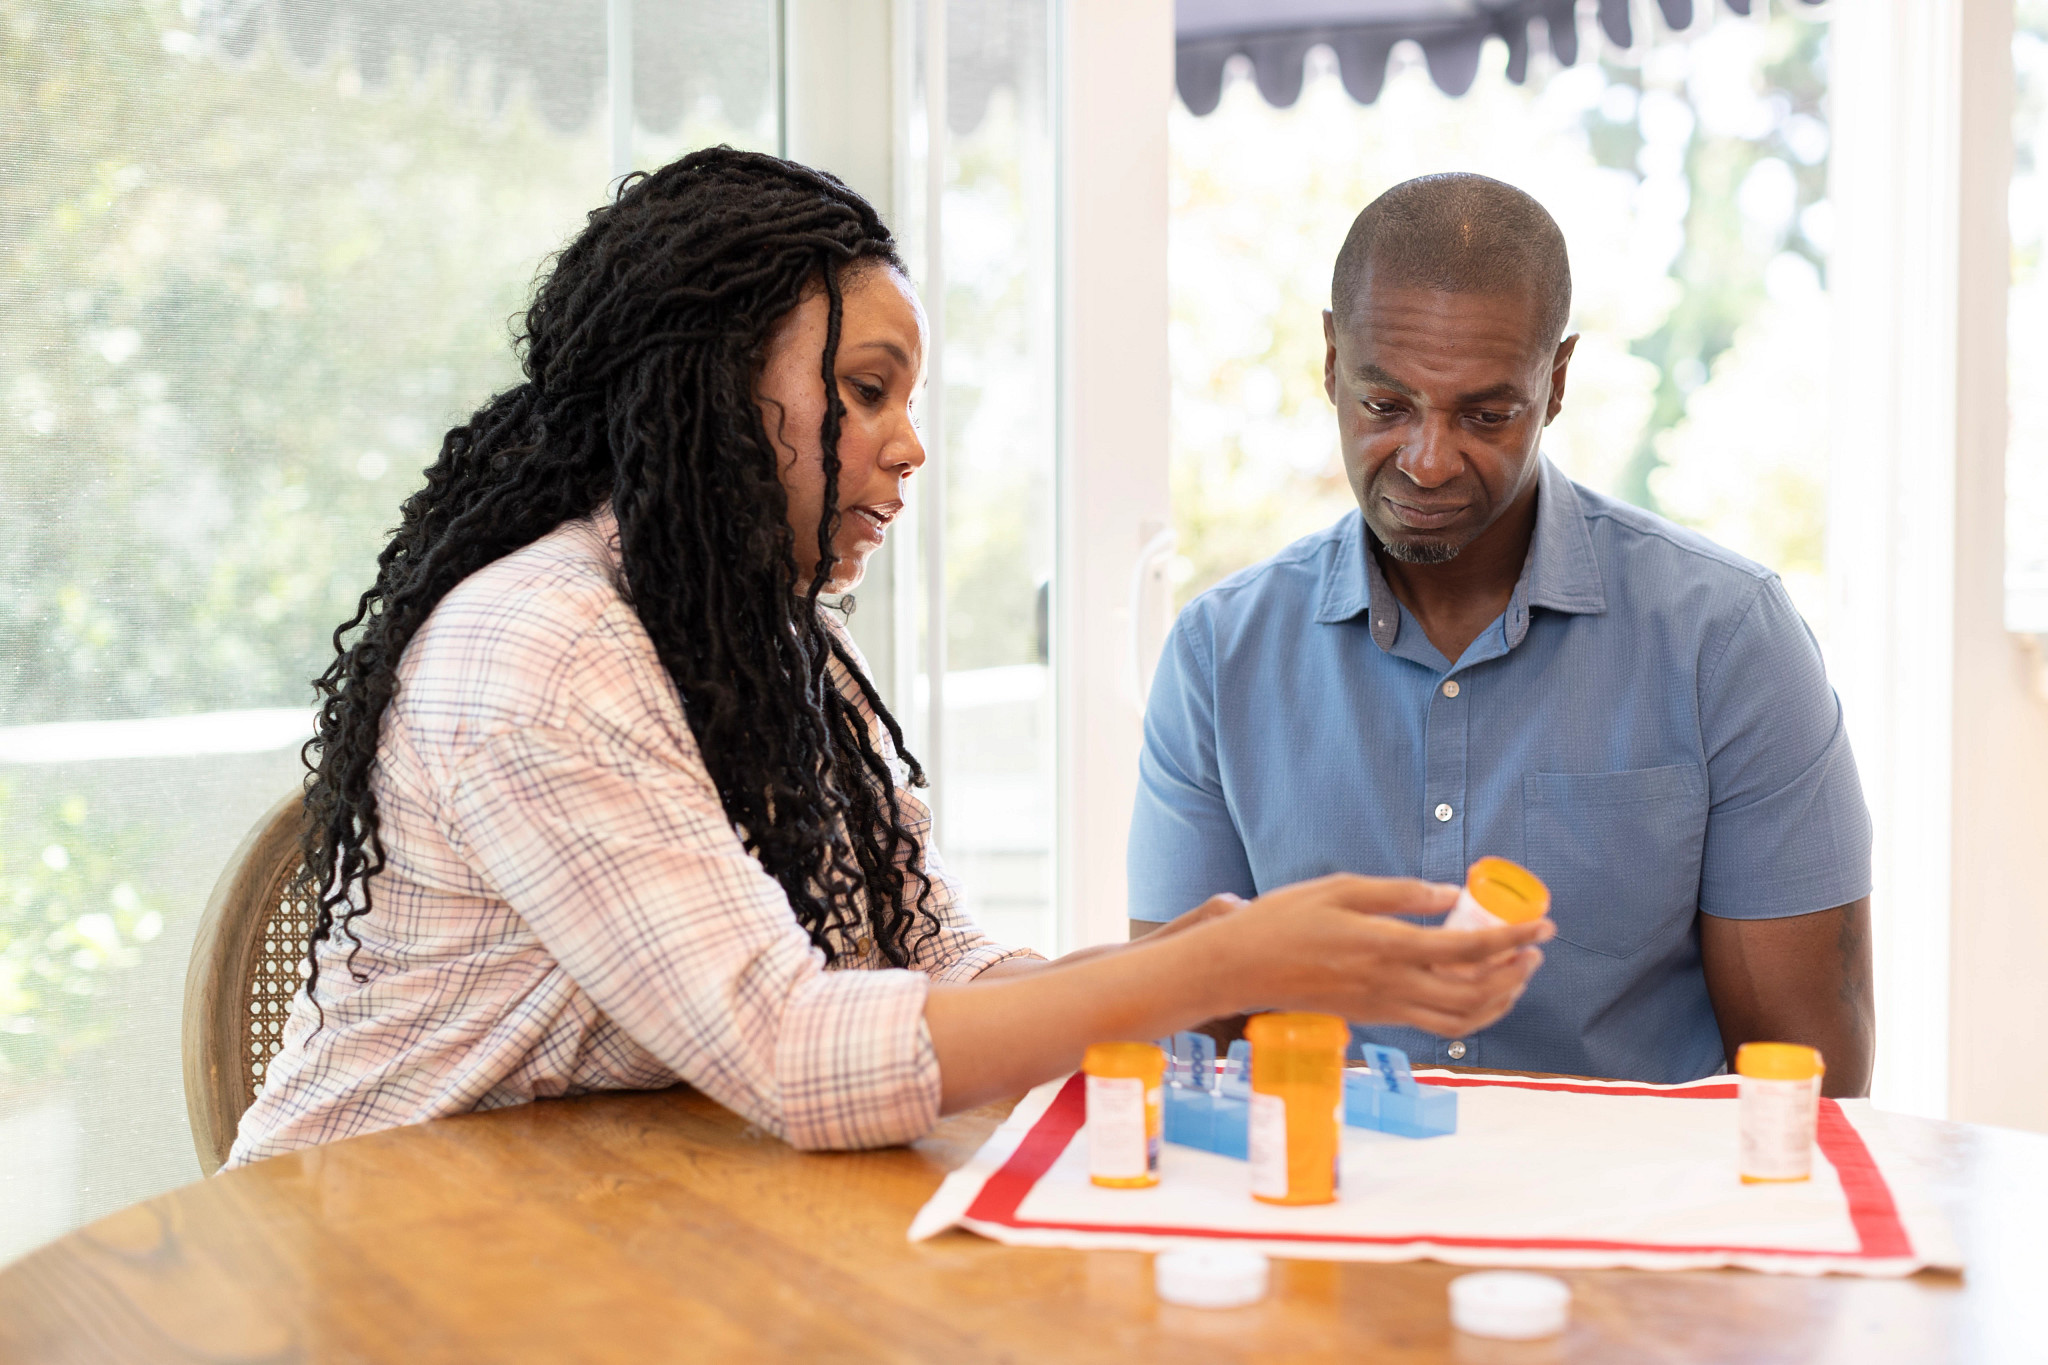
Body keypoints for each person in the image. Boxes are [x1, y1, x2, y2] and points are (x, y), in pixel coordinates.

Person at [229, 151, 1554, 1166]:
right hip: (360, 1251)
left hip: (596, 1225)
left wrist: (1212, 955)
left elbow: (940, 969)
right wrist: (1217, 969)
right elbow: (794, 1049)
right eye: (866, 391)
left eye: (910, 400)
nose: (908, 445)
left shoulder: (775, 653)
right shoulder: (543, 651)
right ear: (707, 386)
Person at [1127, 173, 1874, 1097]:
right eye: (1385, 405)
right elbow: (1175, 1058)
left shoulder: (1728, 643)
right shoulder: (1216, 660)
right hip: (1326, 1208)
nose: (1429, 459)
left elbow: (1812, 1089)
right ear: (1330, 360)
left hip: (1624, 1229)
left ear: (1555, 383)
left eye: (1486, 414)